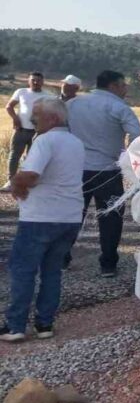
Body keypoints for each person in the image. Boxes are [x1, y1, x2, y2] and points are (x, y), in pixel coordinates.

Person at [0, 97, 85, 342]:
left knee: (22, 270)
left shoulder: (45, 141)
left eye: (37, 114)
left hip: (40, 217)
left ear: (53, 118)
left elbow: (31, 175)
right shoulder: (76, 142)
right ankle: (44, 324)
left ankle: (15, 326)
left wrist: (17, 184)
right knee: (52, 272)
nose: (32, 118)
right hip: (69, 217)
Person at [66, 70, 140, 278]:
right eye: (123, 85)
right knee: (110, 218)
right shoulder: (119, 107)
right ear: (113, 86)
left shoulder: (73, 104)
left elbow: (62, 129)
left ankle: (61, 257)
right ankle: (108, 264)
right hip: (108, 170)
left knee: (71, 214)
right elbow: (137, 135)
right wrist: (126, 157)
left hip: (76, 169)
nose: (126, 89)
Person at [5, 72, 49, 186]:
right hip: (21, 130)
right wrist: (15, 118)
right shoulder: (21, 92)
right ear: (28, 81)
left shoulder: (48, 96)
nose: (35, 82)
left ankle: (27, 181)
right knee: (14, 155)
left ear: (42, 82)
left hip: (38, 132)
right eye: (33, 80)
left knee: (32, 157)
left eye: (38, 80)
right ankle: (11, 181)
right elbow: (9, 106)